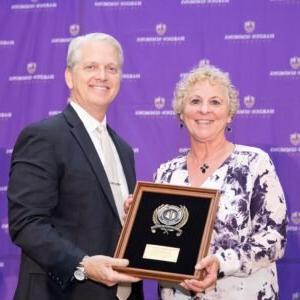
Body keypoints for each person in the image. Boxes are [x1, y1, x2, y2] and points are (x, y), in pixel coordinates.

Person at [8, 33, 143, 300]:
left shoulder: (124, 149)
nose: (102, 76)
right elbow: (27, 224)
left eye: (111, 68)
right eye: (91, 67)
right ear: (69, 76)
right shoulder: (44, 136)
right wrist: (83, 264)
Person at [154, 63, 287, 299]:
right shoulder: (166, 173)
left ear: (229, 114)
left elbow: (274, 238)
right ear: (181, 113)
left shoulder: (255, 164)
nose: (204, 110)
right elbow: (159, 240)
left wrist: (221, 262)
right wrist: (137, 219)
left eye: (215, 102)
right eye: (195, 101)